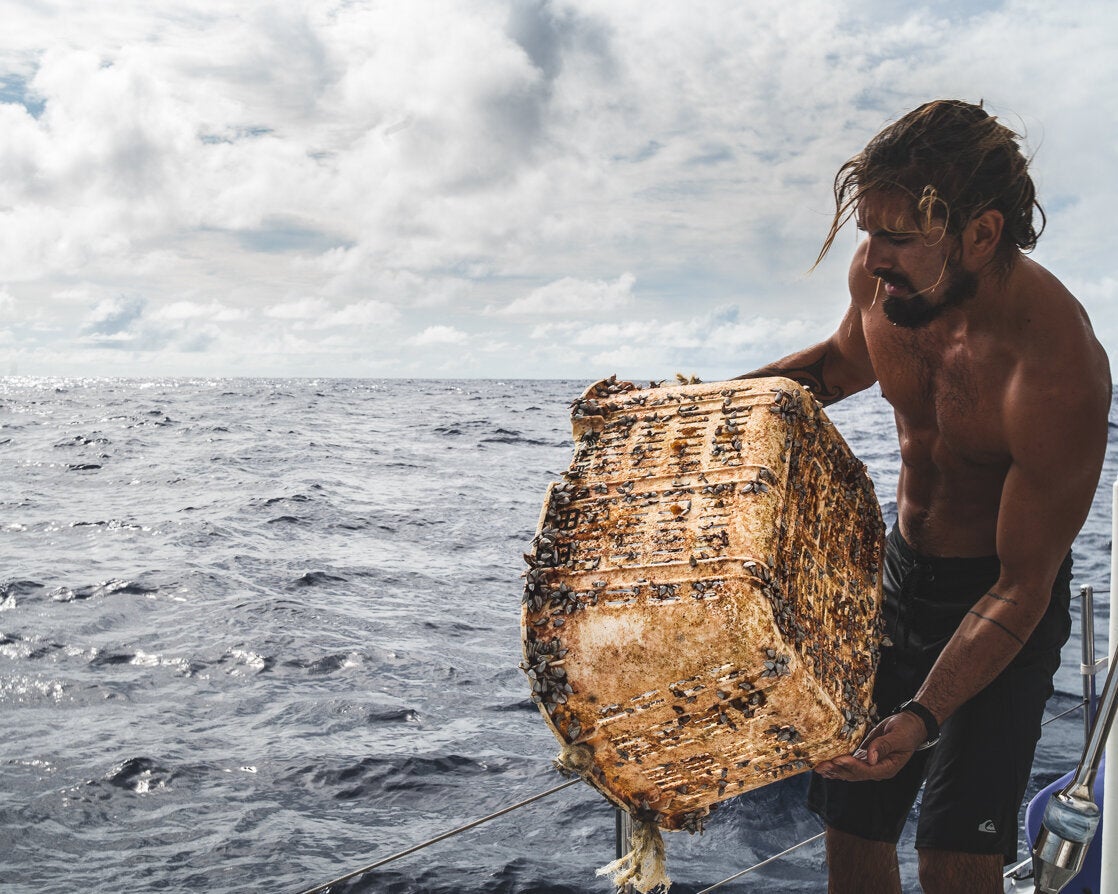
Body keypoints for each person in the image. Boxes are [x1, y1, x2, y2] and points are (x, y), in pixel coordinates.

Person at [739, 100, 1112, 893]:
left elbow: (1020, 589)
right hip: (900, 578)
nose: (872, 259)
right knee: (852, 821)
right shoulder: (886, 287)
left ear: (982, 232)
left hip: (1004, 602)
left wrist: (922, 714)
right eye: (868, 233)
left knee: (955, 855)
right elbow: (841, 365)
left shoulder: (1056, 367)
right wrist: (704, 410)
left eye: (899, 238)